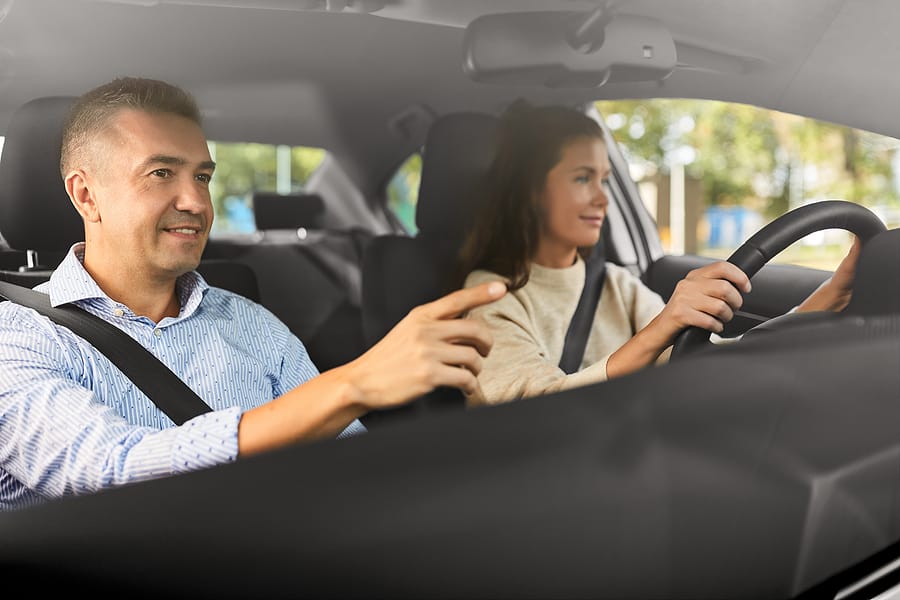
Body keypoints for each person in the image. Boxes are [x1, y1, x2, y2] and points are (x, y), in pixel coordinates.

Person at [0, 77, 507, 511]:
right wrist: (353, 383)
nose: (196, 201)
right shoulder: (18, 337)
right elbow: (113, 475)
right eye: (161, 174)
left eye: (202, 177)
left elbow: (350, 474)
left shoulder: (253, 325)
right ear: (86, 195)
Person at [457, 102, 860, 405]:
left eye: (605, 179)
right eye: (582, 178)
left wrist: (827, 299)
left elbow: (705, 362)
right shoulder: (489, 296)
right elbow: (533, 412)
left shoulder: (615, 284)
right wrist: (662, 326)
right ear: (530, 191)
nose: (602, 198)